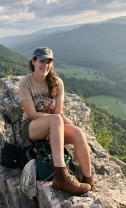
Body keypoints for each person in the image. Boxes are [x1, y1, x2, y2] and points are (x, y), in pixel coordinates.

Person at [19, 46, 95, 195]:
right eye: (42, 60)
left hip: (53, 125)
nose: (45, 65)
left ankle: (88, 180)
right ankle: (61, 176)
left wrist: (56, 127)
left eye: (49, 61)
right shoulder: (25, 83)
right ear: (33, 61)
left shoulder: (57, 83)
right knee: (57, 119)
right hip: (31, 127)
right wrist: (56, 122)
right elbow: (32, 114)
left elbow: (58, 112)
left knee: (78, 133)